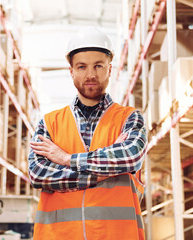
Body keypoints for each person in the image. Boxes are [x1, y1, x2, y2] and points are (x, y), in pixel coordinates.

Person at [28, 27, 147, 240]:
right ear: (71, 71)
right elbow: (39, 174)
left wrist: (66, 159)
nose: (90, 74)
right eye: (81, 67)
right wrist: (103, 172)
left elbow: (130, 157)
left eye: (98, 66)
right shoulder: (49, 123)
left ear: (109, 69)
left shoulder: (129, 118)